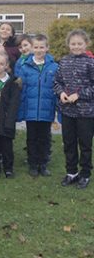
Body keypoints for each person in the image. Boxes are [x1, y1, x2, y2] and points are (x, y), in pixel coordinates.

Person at [54, 29, 94, 189]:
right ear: (68, 45)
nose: (76, 46)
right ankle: (71, 172)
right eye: (73, 44)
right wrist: (61, 92)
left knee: (85, 144)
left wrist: (79, 95)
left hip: (86, 112)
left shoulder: (90, 62)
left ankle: (85, 174)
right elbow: (57, 82)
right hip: (68, 111)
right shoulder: (63, 61)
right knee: (69, 142)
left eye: (79, 44)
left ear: (86, 44)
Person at [17, 34, 58, 177]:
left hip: (46, 110)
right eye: (36, 47)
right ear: (32, 48)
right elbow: (20, 89)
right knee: (32, 138)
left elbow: (57, 88)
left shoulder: (54, 66)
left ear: (47, 48)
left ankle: (43, 163)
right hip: (30, 109)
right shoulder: (25, 66)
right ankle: (33, 164)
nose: (39, 50)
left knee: (45, 138)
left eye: (42, 47)